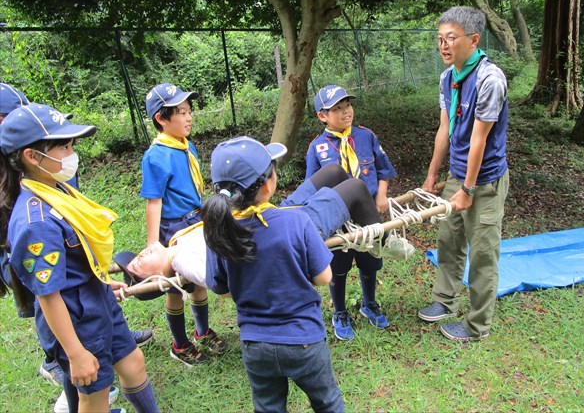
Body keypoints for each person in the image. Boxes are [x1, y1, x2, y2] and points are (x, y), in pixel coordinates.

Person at [0, 84, 150, 412]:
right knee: (95, 396)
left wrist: (98, 279)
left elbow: (72, 259)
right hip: (75, 320)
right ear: (32, 156)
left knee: (134, 363)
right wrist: (76, 353)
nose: (72, 153)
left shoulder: (59, 191)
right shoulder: (35, 221)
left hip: (94, 299)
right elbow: (48, 296)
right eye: (64, 146)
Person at [203, 136, 345, 413]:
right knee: (327, 402)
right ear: (269, 183)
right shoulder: (297, 221)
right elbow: (324, 277)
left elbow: (221, 288)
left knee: (268, 408)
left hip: (256, 344)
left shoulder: (218, 233)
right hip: (304, 340)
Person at [114, 163, 386, 289]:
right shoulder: (184, 261)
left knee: (333, 172)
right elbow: (223, 280)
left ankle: (355, 216)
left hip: (270, 214)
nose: (141, 255)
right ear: (154, 279)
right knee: (356, 188)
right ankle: (384, 243)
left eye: (135, 255)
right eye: (138, 265)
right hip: (282, 232)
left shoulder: (176, 243)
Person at [418, 6, 509, 342]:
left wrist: (468, 190)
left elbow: (479, 140)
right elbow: (445, 130)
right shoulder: (448, 77)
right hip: (459, 176)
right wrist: (431, 177)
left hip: (483, 181)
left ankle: (476, 327)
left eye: (451, 39)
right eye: (440, 39)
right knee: (449, 239)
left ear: (473, 40)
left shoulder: (489, 80)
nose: (443, 45)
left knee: (483, 253)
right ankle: (445, 301)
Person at [306, 84, 401, 340]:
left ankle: (369, 303)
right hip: (337, 220)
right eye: (336, 108)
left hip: (368, 213)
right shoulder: (317, 148)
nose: (345, 111)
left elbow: (383, 170)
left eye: (347, 105)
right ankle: (339, 311)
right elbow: (312, 188)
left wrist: (381, 196)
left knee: (371, 260)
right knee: (338, 266)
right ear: (322, 116)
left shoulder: (365, 136)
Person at [141, 83, 225, 366]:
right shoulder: (156, 155)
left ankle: (202, 332)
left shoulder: (186, 145)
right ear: (161, 119)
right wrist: (154, 245)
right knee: (175, 286)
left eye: (189, 111)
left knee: (198, 280)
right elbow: (154, 201)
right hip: (173, 227)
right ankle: (179, 344)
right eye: (180, 113)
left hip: (196, 218)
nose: (189, 117)